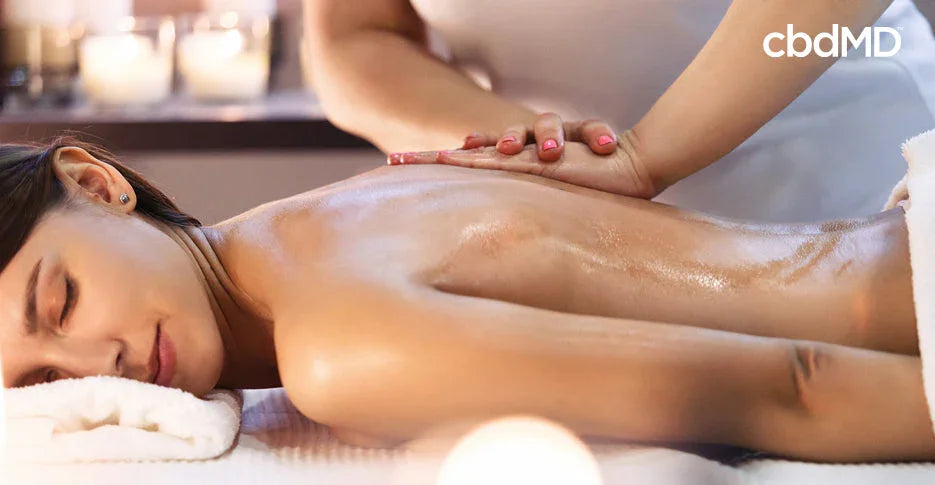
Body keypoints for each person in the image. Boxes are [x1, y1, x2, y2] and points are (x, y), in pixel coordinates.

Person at [0, 137, 932, 463]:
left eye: (63, 299)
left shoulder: (336, 350)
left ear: (98, 182)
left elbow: (792, 384)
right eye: (40, 378)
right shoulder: (322, 218)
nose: (97, 366)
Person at [304, 0, 935, 222]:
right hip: (586, 218)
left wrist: (651, 153)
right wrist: (524, 146)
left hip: (857, 182)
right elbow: (355, 35)